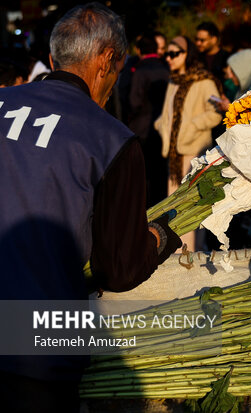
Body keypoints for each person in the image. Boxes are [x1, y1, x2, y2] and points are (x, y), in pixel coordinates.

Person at [0, 3, 181, 411]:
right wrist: (159, 237)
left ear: (52, 59)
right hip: (34, 349)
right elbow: (117, 269)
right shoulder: (110, 139)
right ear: (106, 61)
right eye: (117, 71)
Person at [155, 35, 223, 251]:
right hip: (175, 155)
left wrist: (193, 125)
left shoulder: (204, 80)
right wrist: (161, 126)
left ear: (187, 54)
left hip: (195, 152)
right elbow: (167, 112)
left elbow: (215, 114)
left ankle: (189, 257)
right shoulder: (174, 81)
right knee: (174, 208)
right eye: (167, 53)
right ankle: (177, 255)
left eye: (175, 53)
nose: (169, 58)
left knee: (190, 208)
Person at [128, 31, 170, 207]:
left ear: (139, 50)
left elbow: (134, 102)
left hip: (142, 128)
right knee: (160, 174)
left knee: (143, 175)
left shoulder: (140, 71)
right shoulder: (166, 68)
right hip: (163, 127)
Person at [195, 21, 229, 86]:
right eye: (196, 39)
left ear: (214, 39)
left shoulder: (227, 58)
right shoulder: (196, 58)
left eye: (202, 40)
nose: (198, 43)